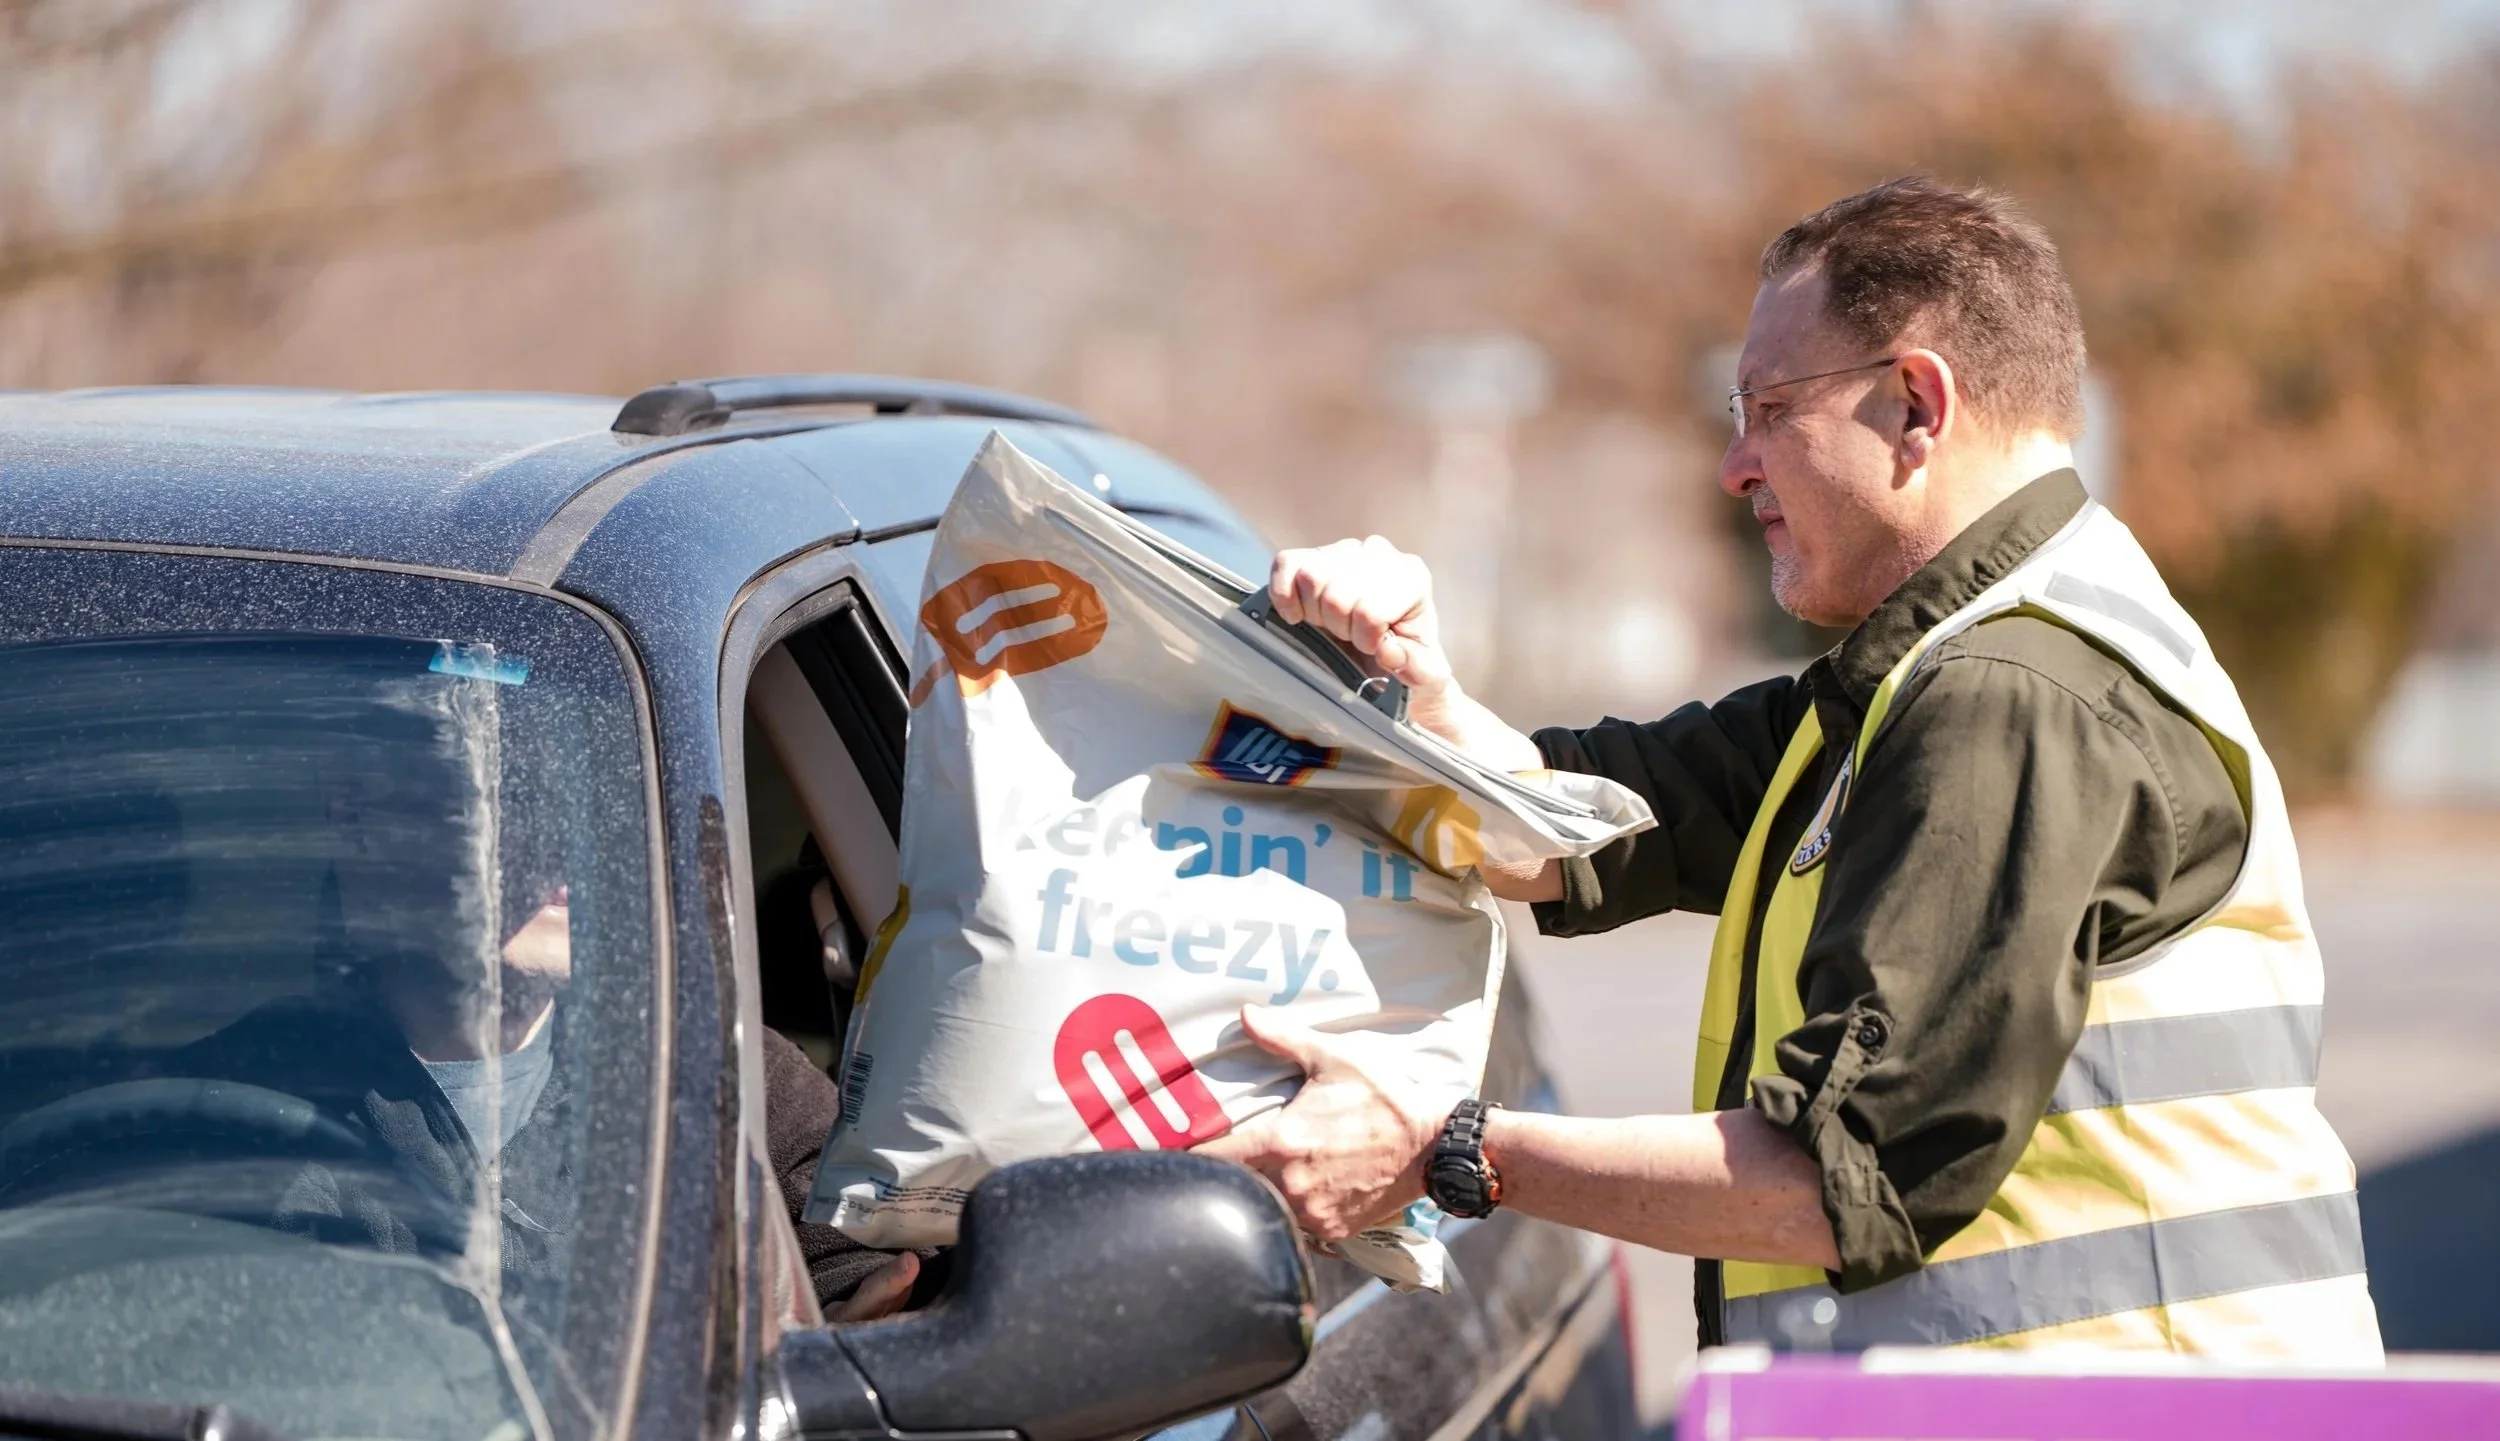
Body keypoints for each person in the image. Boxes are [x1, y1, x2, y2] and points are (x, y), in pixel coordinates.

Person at [1200, 176, 2384, 1362]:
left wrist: (1446, 1150)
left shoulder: (2009, 697)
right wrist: (1419, 697)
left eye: (1768, 407)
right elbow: (1581, 827)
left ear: (1917, 404)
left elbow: (1831, 1179)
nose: (1735, 466)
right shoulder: (1924, 675)